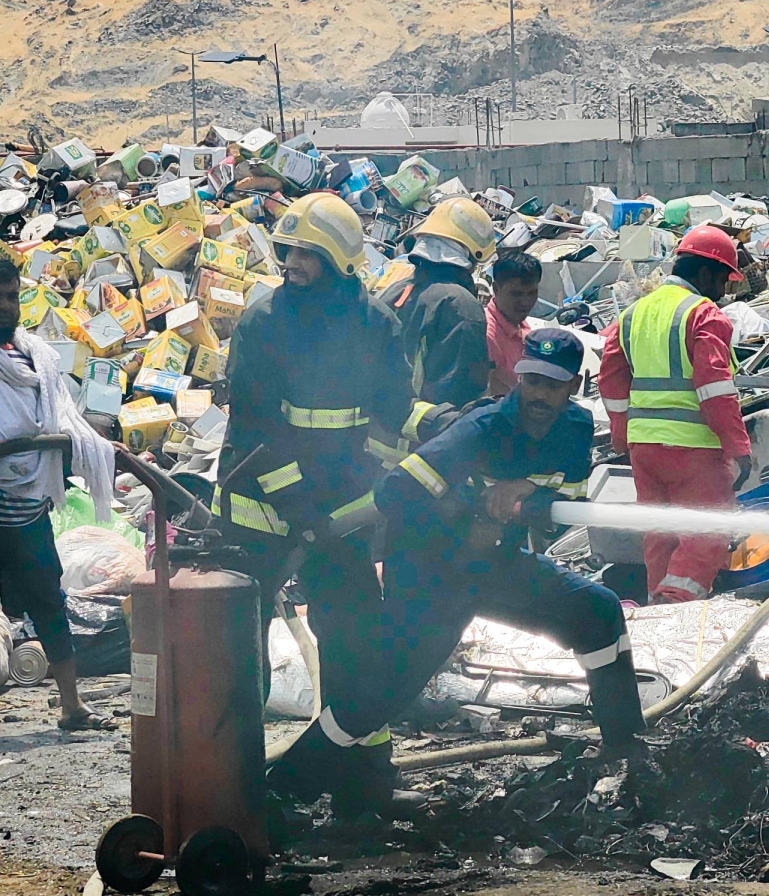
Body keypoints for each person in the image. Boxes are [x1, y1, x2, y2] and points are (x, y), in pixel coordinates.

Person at [214, 193, 436, 813]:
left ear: (340, 261)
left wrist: (436, 426)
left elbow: (394, 410)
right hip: (261, 509)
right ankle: (236, 788)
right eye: (287, 251)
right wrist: (299, 506)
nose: (292, 263)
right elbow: (256, 429)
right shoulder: (263, 323)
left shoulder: (376, 324)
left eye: (307, 254)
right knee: (240, 648)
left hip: (338, 515)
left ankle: (363, 781)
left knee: (356, 637)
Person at [371, 328, 645, 755]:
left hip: (494, 566)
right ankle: (318, 765)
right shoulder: (481, 428)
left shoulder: (575, 428)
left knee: (599, 610)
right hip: (433, 572)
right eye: (532, 381)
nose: (539, 395)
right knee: (390, 685)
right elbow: (394, 492)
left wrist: (530, 491)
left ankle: (627, 748)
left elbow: (566, 507)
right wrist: (471, 516)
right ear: (519, 377)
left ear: (575, 385)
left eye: (552, 385)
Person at [598, 226, 752, 604]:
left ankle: (656, 608)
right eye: (722, 280)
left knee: (660, 533)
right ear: (705, 273)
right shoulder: (704, 315)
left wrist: (622, 434)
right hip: (692, 449)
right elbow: (714, 389)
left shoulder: (632, 315)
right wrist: (738, 447)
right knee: (706, 532)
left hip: (644, 450)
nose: (722, 291)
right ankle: (676, 605)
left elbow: (611, 381)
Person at [0, 257, 119, 731]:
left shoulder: (36, 357)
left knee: (48, 601)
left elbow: (60, 414)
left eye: (12, 296)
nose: (7, 306)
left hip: (29, 504)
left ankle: (72, 706)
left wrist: (90, 442)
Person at [384, 197, 496, 413]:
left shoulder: (392, 291)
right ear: (472, 255)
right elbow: (461, 392)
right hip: (430, 430)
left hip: (379, 429)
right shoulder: (461, 305)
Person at [486, 252, 542, 395]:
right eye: (516, 294)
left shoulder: (519, 322)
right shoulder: (488, 336)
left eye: (532, 293)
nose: (525, 302)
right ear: (496, 289)